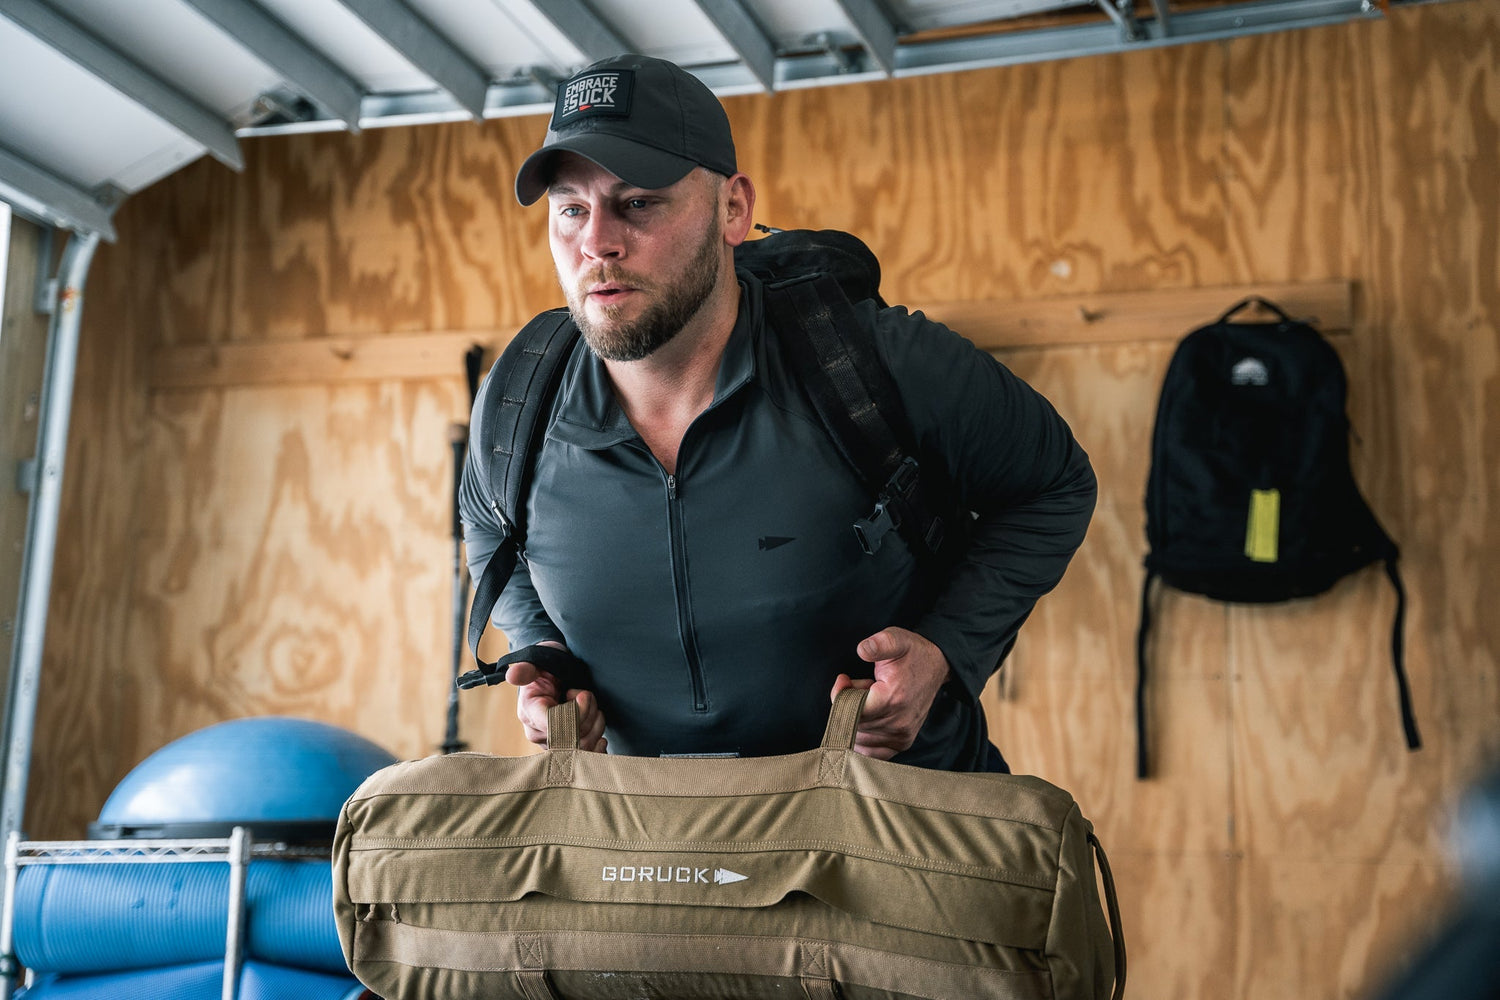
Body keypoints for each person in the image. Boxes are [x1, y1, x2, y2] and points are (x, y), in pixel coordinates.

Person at [459, 53, 1096, 771]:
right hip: (653, 855)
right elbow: (488, 523)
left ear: (734, 209)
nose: (596, 242)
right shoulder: (520, 401)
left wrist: (948, 651)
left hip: (886, 842)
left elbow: (1055, 483)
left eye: (639, 202)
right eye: (572, 208)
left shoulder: (877, 363)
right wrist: (541, 648)